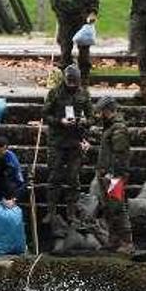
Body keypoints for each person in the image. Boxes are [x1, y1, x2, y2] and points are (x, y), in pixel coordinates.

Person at [43, 65, 93, 222]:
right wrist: (60, 121)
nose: (71, 85)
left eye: (74, 82)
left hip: (75, 140)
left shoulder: (84, 94)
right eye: (69, 82)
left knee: (73, 178)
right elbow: (45, 114)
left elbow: (93, 117)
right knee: (54, 176)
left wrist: (84, 121)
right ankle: (51, 211)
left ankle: (71, 212)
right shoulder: (55, 92)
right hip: (57, 140)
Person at [92, 96, 134, 254]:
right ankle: (113, 240)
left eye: (100, 112)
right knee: (108, 208)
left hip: (114, 177)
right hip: (106, 174)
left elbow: (120, 155)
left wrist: (113, 174)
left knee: (117, 208)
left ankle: (127, 242)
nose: (98, 115)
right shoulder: (109, 127)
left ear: (107, 111)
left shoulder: (118, 129)